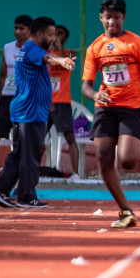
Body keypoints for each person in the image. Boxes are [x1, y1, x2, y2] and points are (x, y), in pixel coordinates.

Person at [82, 0, 140, 229]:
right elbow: (86, 86)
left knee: (128, 161)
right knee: (102, 157)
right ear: (101, 18)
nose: (113, 21)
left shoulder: (136, 43)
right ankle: (125, 210)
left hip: (133, 108)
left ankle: (138, 134)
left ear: (124, 18)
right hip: (106, 108)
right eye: (108, 17)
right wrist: (94, 95)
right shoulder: (95, 48)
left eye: (117, 17)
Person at [0, 16, 72, 209]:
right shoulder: (33, 49)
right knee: (31, 155)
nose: (52, 38)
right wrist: (61, 61)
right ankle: (26, 196)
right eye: (50, 34)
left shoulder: (29, 49)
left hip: (27, 111)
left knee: (20, 154)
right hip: (30, 112)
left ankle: (0, 189)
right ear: (40, 34)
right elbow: (47, 58)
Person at [0, 14, 31, 182]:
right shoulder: (8, 48)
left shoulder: (34, 50)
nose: (17, 32)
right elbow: (2, 75)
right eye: (16, 28)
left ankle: (18, 183)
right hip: (7, 98)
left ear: (29, 30)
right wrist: (0, 101)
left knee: (21, 145)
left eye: (22, 29)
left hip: (25, 100)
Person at [48, 24, 80, 181]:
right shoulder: (44, 54)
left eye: (60, 34)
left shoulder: (70, 54)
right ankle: (36, 169)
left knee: (69, 136)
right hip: (45, 101)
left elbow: (68, 64)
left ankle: (75, 173)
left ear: (65, 38)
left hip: (61, 101)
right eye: (54, 33)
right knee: (37, 137)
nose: (56, 36)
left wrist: (59, 47)